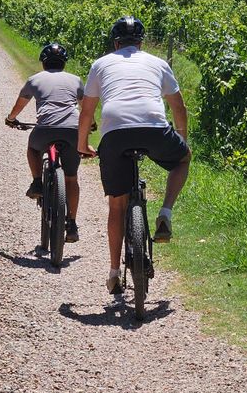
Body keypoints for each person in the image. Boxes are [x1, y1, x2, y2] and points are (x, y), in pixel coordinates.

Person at [78, 16, 190, 294]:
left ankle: (114, 272)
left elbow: (87, 111)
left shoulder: (101, 64)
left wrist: (82, 143)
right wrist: (181, 138)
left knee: (117, 205)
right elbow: (178, 106)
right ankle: (165, 212)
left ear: (115, 43)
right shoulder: (158, 63)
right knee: (183, 159)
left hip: (115, 133)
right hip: (153, 127)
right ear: (140, 42)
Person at [5, 43, 85, 242]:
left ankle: (37, 182)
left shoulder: (34, 80)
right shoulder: (76, 80)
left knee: (33, 149)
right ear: (64, 63)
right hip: (72, 131)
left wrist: (11, 118)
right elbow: (86, 106)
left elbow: (20, 104)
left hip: (45, 129)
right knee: (71, 178)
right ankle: (72, 223)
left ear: (43, 62)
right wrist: (90, 124)